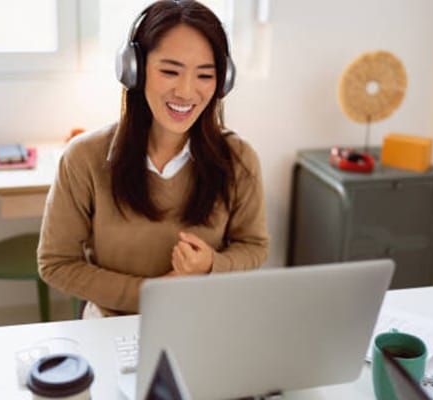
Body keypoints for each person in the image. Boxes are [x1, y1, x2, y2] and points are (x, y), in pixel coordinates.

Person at [38, 0, 269, 318]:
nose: (187, 92)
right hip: (112, 321)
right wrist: (154, 293)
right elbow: (56, 264)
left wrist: (212, 264)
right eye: (170, 71)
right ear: (134, 70)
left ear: (222, 81)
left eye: (204, 75)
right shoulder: (83, 158)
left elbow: (254, 247)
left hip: (202, 317)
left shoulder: (239, 159)